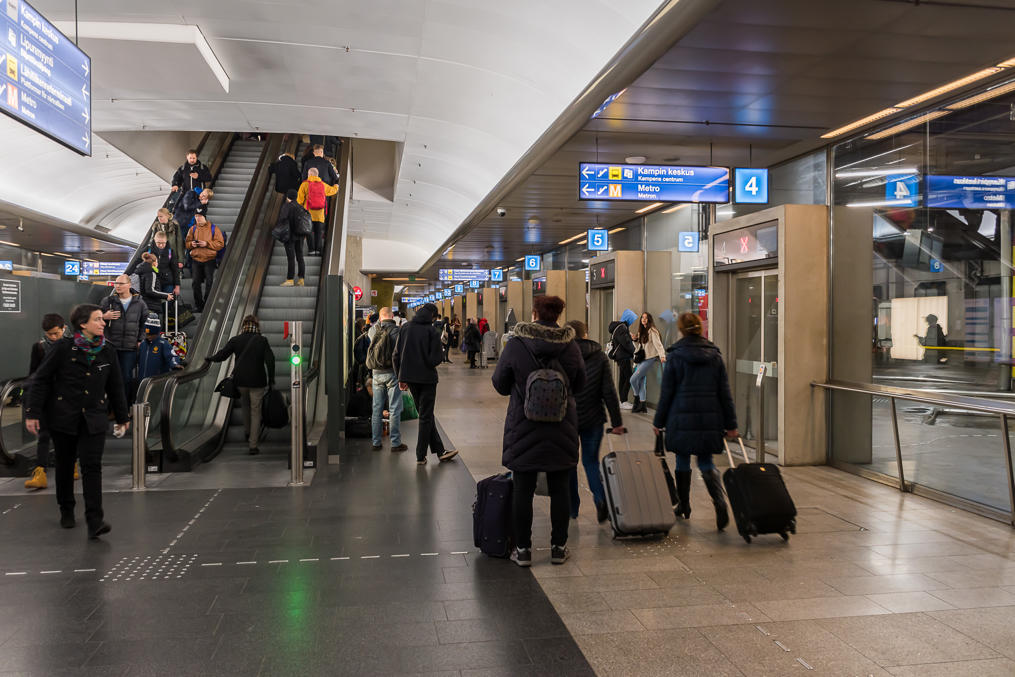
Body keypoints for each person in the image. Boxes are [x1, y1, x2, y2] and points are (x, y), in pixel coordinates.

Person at [492, 295, 585, 567]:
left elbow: (499, 383)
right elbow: (580, 384)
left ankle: (523, 550)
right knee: (560, 488)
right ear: (558, 315)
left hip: (524, 426)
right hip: (561, 426)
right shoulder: (571, 346)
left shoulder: (517, 344)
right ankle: (558, 548)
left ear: (534, 313)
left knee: (523, 489)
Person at [25, 304, 129, 539]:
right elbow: (40, 380)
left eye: (103, 320)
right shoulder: (63, 348)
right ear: (83, 324)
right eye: (98, 320)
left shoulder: (107, 351)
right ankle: (67, 509)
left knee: (92, 467)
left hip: (93, 417)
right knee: (64, 464)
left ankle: (95, 520)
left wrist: (123, 417)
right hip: (64, 417)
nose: (103, 323)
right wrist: (32, 413)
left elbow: (116, 386)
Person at [652, 312, 737, 530]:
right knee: (706, 461)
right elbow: (724, 393)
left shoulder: (676, 355)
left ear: (681, 330)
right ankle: (719, 502)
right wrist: (731, 424)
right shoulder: (714, 355)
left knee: (682, 460)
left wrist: (658, 421)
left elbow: (667, 393)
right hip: (710, 416)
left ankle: (684, 505)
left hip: (681, 416)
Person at [566, 320, 625, 523]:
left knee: (569, 464)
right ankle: (600, 500)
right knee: (591, 461)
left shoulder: (563, 355)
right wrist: (616, 422)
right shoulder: (599, 356)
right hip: (593, 418)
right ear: (586, 333)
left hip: (567, 419)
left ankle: (572, 508)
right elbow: (608, 390)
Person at [392, 303, 458, 465]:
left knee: (425, 415)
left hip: (410, 379)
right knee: (425, 416)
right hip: (427, 379)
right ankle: (420, 455)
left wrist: (401, 377)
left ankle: (440, 450)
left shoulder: (405, 328)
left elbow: (395, 355)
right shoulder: (431, 331)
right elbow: (436, 358)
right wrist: (427, 361)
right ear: (433, 316)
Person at [205, 315, 275, 455]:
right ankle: (253, 445)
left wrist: (209, 358)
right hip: (257, 381)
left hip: (241, 381)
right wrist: (271, 378)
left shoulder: (236, 340)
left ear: (243, 325)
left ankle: (248, 432)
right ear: (257, 325)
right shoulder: (262, 340)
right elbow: (270, 360)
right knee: (256, 411)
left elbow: (222, 355)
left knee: (245, 405)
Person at [23, 314, 68, 490]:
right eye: (50, 334)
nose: (53, 337)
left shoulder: (70, 345)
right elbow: (33, 373)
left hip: (65, 396)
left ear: (63, 328)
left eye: (56, 333)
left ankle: (71, 466)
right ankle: (40, 471)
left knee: (65, 435)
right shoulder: (39, 347)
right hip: (45, 396)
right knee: (43, 435)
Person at [100, 275, 147, 404]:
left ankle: (123, 407)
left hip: (129, 347)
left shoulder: (140, 303)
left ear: (129, 285)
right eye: (116, 283)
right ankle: (111, 408)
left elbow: (144, 323)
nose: (118, 286)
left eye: (121, 283)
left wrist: (140, 339)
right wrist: (104, 316)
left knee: (125, 378)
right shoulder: (108, 301)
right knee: (110, 377)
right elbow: (95, 319)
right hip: (110, 345)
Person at [367, 307, 406, 452]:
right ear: (391, 316)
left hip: (376, 373)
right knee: (394, 408)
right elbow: (400, 354)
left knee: (377, 408)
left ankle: (376, 442)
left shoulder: (373, 331)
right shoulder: (397, 331)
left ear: (381, 317)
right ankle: (395, 443)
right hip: (392, 373)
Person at [185, 207, 225, 312]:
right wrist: (191, 244)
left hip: (209, 259)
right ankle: (199, 305)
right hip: (196, 259)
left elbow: (220, 244)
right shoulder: (192, 229)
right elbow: (187, 243)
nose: (198, 218)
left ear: (204, 217)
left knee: (209, 281)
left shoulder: (214, 228)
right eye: (196, 216)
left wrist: (206, 244)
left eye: (200, 216)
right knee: (195, 282)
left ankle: (208, 303)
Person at [297, 167, 339, 255]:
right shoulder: (323, 184)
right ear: (317, 175)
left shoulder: (304, 185)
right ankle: (318, 250)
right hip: (320, 213)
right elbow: (332, 191)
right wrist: (336, 186)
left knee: (309, 231)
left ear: (309, 175)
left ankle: (311, 250)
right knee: (318, 232)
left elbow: (299, 201)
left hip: (308, 212)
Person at [629, 311, 666, 413]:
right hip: (642, 358)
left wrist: (662, 356)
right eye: (642, 318)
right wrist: (635, 340)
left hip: (650, 358)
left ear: (649, 320)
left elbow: (658, 344)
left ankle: (636, 399)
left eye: (646, 318)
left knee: (633, 379)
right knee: (640, 381)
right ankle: (643, 405)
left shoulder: (652, 331)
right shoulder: (642, 331)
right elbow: (639, 347)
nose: (643, 319)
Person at [276, 189, 306, 286]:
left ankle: (290, 279)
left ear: (288, 197)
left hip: (290, 236)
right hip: (300, 236)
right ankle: (301, 279)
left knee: (291, 257)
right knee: (300, 256)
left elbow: (283, 219)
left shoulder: (287, 206)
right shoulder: (301, 207)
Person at [609, 309, 638, 408]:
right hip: (623, 356)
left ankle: (622, 400)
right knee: (629, 377)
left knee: (623, 377)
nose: (632, 321)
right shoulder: (622, 328)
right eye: (632, 319)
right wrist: (635, 351)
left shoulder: (620, 327)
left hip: (621, 356)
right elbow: (626, 343)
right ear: (628, 318)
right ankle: (623, 400)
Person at [132, 252, 175, 318]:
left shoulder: (140, 270)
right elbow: (150, 290)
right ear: (154, 262)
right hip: (151, 306)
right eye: (157, 261)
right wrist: (166, 296)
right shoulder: (151, 273)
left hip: (142, 304)